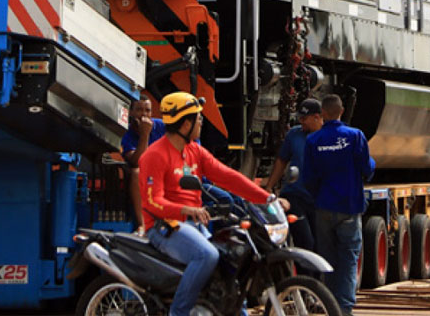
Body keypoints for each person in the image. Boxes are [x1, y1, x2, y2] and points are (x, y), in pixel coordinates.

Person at [140, 92, 273, 316]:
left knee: (231, 263)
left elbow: (228, 177)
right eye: (198, 118)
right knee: (207, 255)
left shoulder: (195, 151)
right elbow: (153, 202)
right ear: (185, 124)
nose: (202, 122)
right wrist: (185, 209)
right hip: (164, 226)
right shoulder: (155, 155)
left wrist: (265, 198)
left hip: (194, 225)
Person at [304, 94, 375, 316]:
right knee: (348, 258)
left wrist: (319, 197)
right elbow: (367, 168)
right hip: (349, 207)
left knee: (328, 258)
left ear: (322, 113)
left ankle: (331, 303)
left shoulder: (313, 141)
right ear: (341, 111)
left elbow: (308, 178)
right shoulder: (355, 136)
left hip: (324, 206)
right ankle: (343, 308)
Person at [265, 98, 323, 251]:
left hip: (320, 199)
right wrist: (269, 186)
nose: (301, 122)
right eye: (299, 118)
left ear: (317, 117)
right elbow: (282, 161)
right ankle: (303, 274)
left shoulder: (329, 137)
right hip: (295, 196)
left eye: (304, 118)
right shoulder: (294, 135)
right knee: (305, 241)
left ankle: (316, 275)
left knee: (319, 245)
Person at [122, 95, 167, 228]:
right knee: (136, 172)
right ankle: (143, 224)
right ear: (131, 112)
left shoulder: (161, 126)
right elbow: (137, 162)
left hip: (166, 171)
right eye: (139, 110)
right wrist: (144, 135)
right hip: (146, 175)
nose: (144, 114)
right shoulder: (127, 133)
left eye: (147, 110)